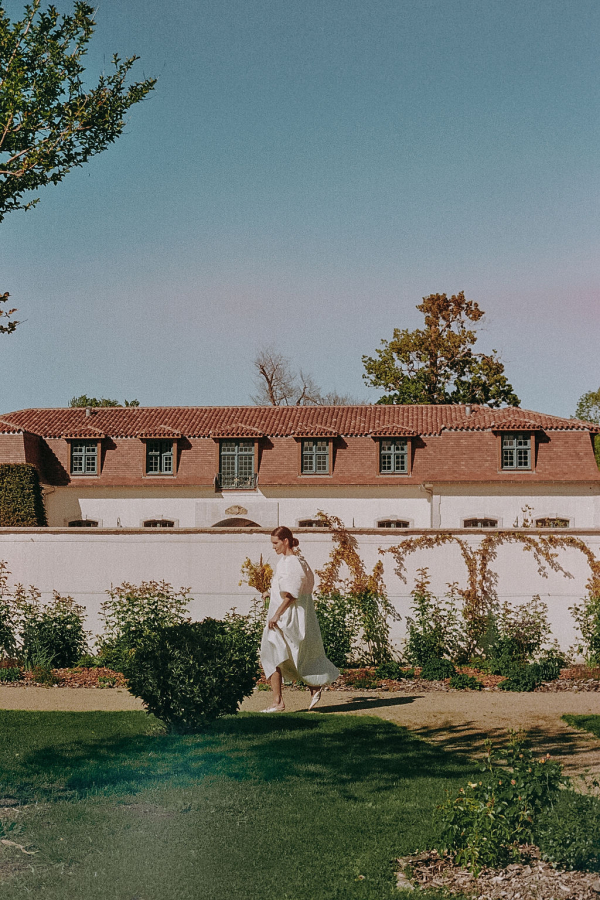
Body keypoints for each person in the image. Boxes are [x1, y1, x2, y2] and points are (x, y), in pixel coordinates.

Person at [259, 525, 339, 712]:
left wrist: (277, 614)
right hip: (280, 616)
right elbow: (286, 587)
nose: (273, 547)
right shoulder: (286, 562)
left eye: (276, 543)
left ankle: (281, 701)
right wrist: (269, 593)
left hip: (285, 617)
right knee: (278, 656)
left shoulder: (293, 562)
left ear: (285, 541)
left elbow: (293, 593)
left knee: (278, 655)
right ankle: (303, 691)